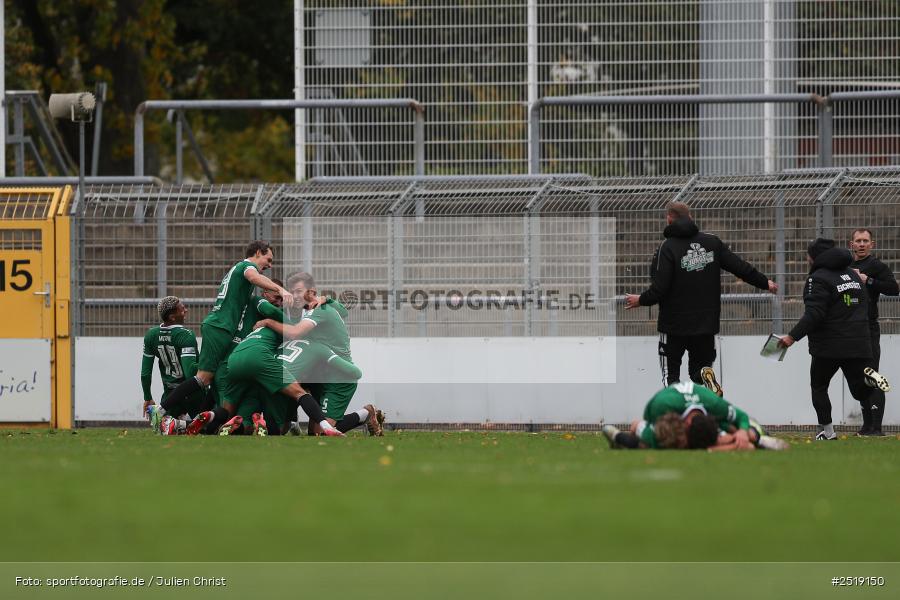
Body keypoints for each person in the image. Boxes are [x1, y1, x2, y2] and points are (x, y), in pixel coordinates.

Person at [624, 201, 778, 395]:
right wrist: (765, 283)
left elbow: (659, 288)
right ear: (691, 217)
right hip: (706, 324)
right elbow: (740, 266)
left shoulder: (667, 247)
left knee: (670, 376)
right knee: (698, 371)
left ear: (669, 219)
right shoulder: (712, 242)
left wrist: (641, 300)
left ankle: (677, 415)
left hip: (674, 325)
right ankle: (706, 376)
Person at [152, 241, 293, 427]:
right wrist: (281, 289)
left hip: (221, 327)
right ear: (258, 252)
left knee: (210, 378)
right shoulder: (247, 267)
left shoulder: (239, 272)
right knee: (203, 378)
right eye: (268, 259)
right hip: (220, 326)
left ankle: (190, 424)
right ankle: (160, 411)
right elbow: (253, 276)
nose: (270, 265)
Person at [778, 238, 890, 440]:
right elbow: (865, 305)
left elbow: (814, 314)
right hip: (858, 342)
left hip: (828, 346)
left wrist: (792, 337)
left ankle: (827, 433)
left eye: (808, 254)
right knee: (859, 391)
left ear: (814, 257)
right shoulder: (854, 275)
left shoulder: (818, 278)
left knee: (819, 386)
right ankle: (869, 380)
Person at [257, 271, 384, 436]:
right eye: (292, 291)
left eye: (298, 291)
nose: (294, 295)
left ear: (312, 292)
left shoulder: (319, 310)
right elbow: (344, 312)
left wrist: (267, 322)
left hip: (339, 377)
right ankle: (289, 421)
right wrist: (327, 298)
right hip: (319, 374)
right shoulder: (312, 308)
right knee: (303, 424)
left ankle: (367, 413)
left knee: (319, 433)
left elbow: (295, 333)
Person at [602, 381, 788, 451]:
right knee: (654, 440)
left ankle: (759, 437)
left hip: (707, 422)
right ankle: (620, 438)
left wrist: (743, 430)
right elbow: (640, 425)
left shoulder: (714, 405)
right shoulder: (663, 408)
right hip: (657, 417)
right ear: (687, 423)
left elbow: (740, 415)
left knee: (746, 431)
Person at [849, 228, 899, 436]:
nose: (861, 244)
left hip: (868, 328)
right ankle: (866, 425)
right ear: (851, 245)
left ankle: (876, 428)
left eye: (865, 241)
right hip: (850, 330)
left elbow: (893, 288)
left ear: (872, 244)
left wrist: (867, 280)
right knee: (859, 378)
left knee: (872, 375)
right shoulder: (845, 267)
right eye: (858, 241)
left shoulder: (876, 266)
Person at [141, 296, 210, 435]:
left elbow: (145, 373)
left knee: (160, 426)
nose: (186, 310)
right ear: (172, 317)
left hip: (170, 394)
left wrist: (147, 397)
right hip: (191, 394)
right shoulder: (185, 335)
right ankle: (183, 424)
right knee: (210, 427)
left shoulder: (151, 335)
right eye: (182, 309)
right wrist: (208, 364)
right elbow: (190, 372)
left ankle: (177, 424)